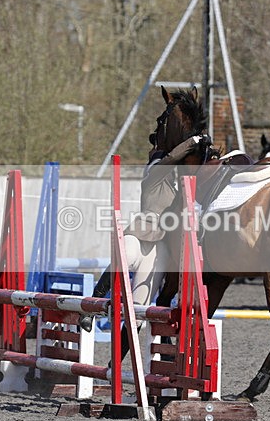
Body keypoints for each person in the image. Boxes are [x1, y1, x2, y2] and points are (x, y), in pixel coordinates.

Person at [82, 134, 210, 331]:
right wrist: (194, 140)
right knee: (125, 257)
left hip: (160, 248)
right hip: (139, 234)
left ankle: (125, 344)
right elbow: (170, 159)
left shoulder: (180, 190)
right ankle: (91, 307)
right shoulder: (153, 179)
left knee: (140, 307)